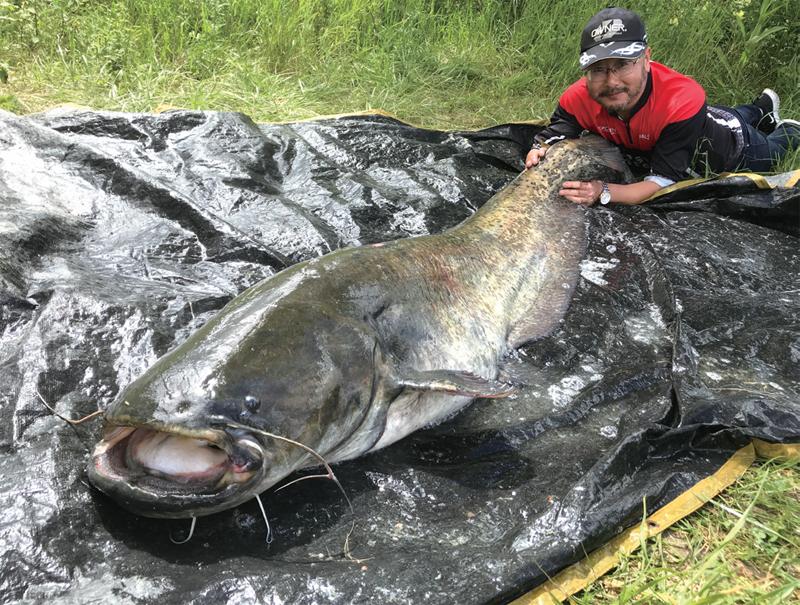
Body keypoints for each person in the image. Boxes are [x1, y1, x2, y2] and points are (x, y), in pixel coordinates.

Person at [525, 7, 800, 207]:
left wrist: (603, 191)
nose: (612, 82)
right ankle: (760, 108)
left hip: (733, 147)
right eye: (598, 69)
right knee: (724, 115)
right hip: (695, 121)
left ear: (647, 58)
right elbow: (557, 130)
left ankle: (786, 126)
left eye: (622, 64)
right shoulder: (576, 97)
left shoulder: (682, 99)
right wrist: (540, 148)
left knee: (777, 146)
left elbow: (661, 184)